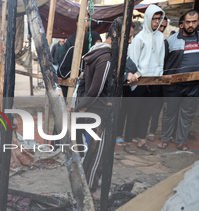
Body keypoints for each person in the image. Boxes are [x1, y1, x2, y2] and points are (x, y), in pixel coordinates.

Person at [75, 17, 139, 191]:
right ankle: (89, 192)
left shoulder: (98, 52)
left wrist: (81, 104)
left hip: (93, 111)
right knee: (98, 157)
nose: (131, 41)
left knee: (94, 153)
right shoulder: (106, 57)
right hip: (100, 113)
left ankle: (87, 188)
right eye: (129, 36)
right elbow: (96, 89)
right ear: (117, 34)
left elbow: (82, 82)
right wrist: (82, 105)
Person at [158, 10, 199, 151]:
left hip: (195, 85)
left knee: (187, 115)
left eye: (194, 22)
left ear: (198, 22)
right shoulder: (171, 40)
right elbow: (165, 61)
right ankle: (165, 138)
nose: (191, 25)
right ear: (182, 24)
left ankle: (181, 141)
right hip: (174, 85)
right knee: (170, 113)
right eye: (188, 22)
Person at [123, 4, 165, 154]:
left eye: (159, 19)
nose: (156, 22)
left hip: (154, 80)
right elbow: (133, 61)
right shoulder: (139, 38)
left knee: (147, 113)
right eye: (154, 19)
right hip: (139, 81)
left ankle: (142, 140)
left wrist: (158, 77)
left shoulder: (160, 36)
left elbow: (161, 59)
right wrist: (136, 77)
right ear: (147, 18)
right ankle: (128, 141)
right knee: (133, 112)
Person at [57, 14, 102, 97]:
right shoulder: (71, 42)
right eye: (83, 20)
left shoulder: (93, 38)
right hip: (70, 90)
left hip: (87, 91)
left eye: (87, 20)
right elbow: (61, 72)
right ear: (77, 23)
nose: (86, 23)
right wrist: (80, 73)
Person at [146, 16, 169, 141]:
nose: (162, 29)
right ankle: (138, 132)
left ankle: (152, 131)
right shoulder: (144, 39)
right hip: (145, 79)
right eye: (160, 25)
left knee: (157, 108)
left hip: (159, 80)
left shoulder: (165, 43)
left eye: (164, 26)